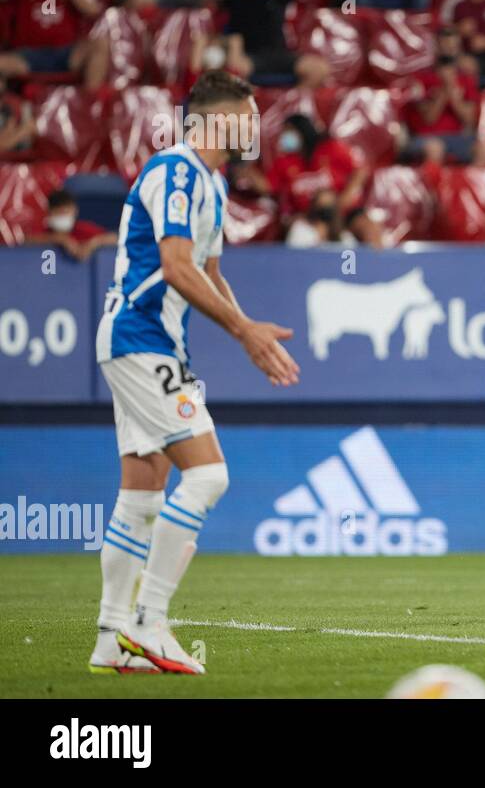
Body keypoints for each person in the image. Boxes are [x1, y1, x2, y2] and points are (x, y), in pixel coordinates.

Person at [92, 71, 300, 675]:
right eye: (250, 114)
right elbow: (178, 268)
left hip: (145, 343)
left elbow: (207, 271)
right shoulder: (176, 171)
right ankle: (151, 621)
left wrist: (248, 331)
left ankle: (111, 637)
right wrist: (242, 331)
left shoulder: (210, 182)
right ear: (219, 119)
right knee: (207, 477)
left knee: (141, 494)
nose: (256, 126)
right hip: (140, 338)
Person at [207, 0, 330, 89]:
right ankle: (251, 105)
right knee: (234, 73)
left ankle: (289, 103)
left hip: (279, 54)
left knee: (319, 69)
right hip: (248, 56)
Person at [265, 113, 369, 219]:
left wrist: (345, 198)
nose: (284, 137)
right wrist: (247, 166)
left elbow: (360, 171)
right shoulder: (283, 162)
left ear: (302, 130)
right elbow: (267, 186)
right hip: (309, 219)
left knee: (367, 227)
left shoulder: (330, 147)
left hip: (345, 212)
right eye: (283, 133)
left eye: (289, 131)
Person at [402, 28, 480, 162]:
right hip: (426, 138)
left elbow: (469, 120)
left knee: (483, 149)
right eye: (445, 46)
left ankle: (471, 183)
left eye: (453, 47)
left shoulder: (466, 79)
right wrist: (444, 91)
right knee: (435, 148)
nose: (449, 51)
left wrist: (452, 91)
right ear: (436, 48)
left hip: (457, 138)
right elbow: (429, 118)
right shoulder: (420, 79)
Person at [29, 188, 118, 260]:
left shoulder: (82, 229)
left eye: (67, 212)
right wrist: (61, 239)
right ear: (49, 212)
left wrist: (93, 243)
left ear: (75, 211)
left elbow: (115, 238)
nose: (63, 216)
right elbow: (25, 240)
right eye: (59, 212)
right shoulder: (44, 231)